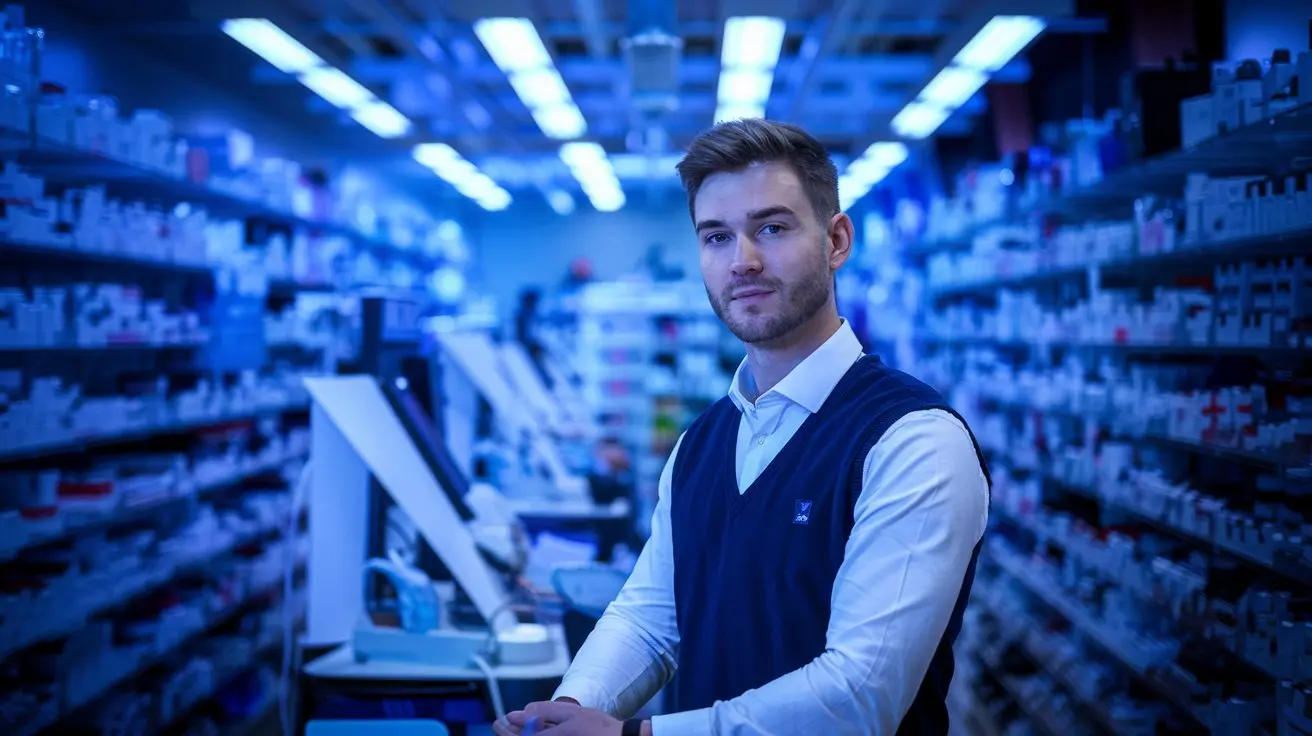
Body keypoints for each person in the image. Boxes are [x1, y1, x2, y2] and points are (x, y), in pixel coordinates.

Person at [493, 119, 991, 736]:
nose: (742, 261)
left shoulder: (912, 441)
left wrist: (636, 735)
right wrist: (570, 707)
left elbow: (860, 695)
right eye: (717, 237)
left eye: (772, 228)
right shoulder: (701, 443)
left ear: (836, 241)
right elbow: (651, 617)